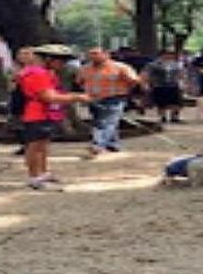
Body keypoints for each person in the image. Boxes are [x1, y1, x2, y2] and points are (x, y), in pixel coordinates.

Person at [17, 45, 91, 191]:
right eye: (61, 60)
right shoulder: (37, 74)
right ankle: (35, 177)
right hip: (36, 113)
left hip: (46, 113)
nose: (63, 64)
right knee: (35, 146)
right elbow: (48, 96)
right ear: (48, 59)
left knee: (43, 145)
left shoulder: (46, 73)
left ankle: (42, 172)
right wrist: (77, 97)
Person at [77, 47, 140, 157]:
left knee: (108, 122)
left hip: (115, 98)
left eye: (96, 53)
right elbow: (79, 81)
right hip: (93, 99)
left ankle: (98, 145)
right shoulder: (85, 68)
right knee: (99, 121)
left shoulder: (121, 67)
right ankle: (112, 145)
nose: (93, 56)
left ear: (106, 54)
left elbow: (134, 80)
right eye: (91, 54)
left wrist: (126, 91)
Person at [143, 50, 186, 123]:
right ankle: (163, 116)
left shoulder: (176, 64)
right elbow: (147, 74)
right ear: (161, 55)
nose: (169, 56)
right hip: (159, 85)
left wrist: (182, 83)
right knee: (161, 102)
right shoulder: (153, 64)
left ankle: (174, 117)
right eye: (167, 54)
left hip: (173, 85)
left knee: (176, 102)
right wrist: (147, 84)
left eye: (171, 54)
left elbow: (181, 74)